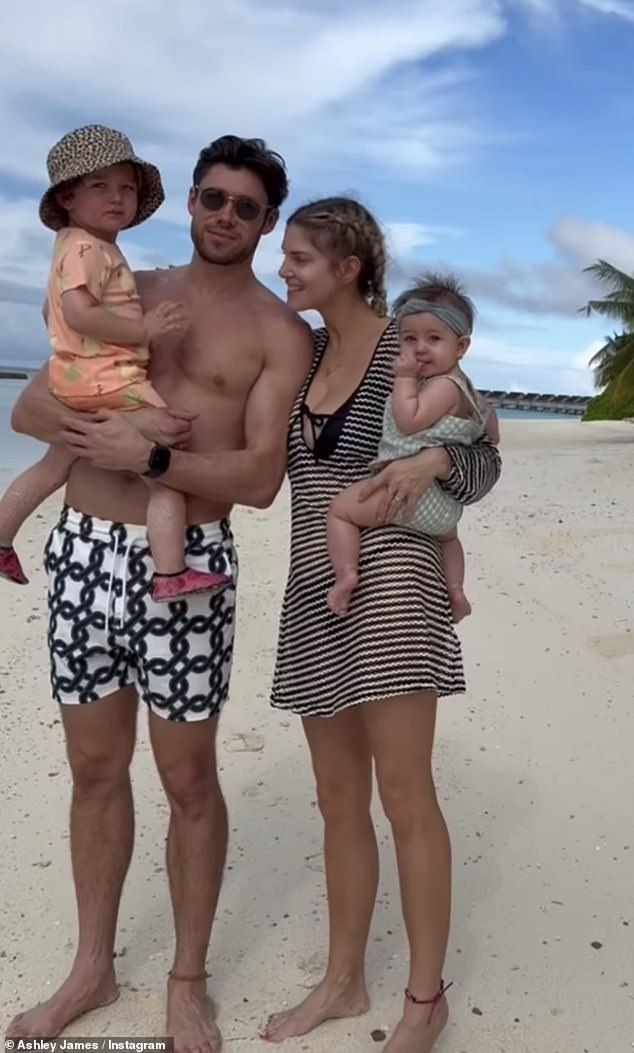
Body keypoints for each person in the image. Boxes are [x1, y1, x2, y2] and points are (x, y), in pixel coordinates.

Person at [5, 135, 313, 1053]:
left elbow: (260, 480)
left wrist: (151, 456)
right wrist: (76, 432)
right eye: (213, 197)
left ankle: (187, 979)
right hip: (86, 552)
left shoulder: (278, 331)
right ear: (187, 199)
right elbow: (30, 402)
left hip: (191, 568)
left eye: (246, 207)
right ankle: (92, 965)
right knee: (95, 771)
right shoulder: (131, 286)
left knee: (186, 779)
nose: (225, 216)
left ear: (266, 222)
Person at [262, 198, 501, 1052]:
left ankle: (424, 1000)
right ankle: (343, 978)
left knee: (404, 793)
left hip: (395, 584)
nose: (282, 268)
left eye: (297, 256)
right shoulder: (306, 352)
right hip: (315, 587)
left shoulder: (413, 350)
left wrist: (440, 455)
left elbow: (484, 448)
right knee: (336, 801)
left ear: (350, 264)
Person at [0, 124, 228, 602]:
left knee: (52, 466)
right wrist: (144, 330)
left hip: (74, 378)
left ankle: (1, 537)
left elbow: (56, 310)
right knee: (164, 470)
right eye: (100, 186)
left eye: (127, 187)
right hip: (108, 379)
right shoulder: (86, 248)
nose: (118, 197)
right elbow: (79, 312)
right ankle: (170, 572)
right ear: (66, 196)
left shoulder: (77, 245)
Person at [326, 273, 500, 621]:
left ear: (460, 346)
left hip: (409, 496)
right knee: (449, 540)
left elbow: (408, 420)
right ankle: (455, 590)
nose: (419, 348)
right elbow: (491, 433)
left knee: (340, 512)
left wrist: (404, 379)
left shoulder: (442, 386)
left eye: (433, 339)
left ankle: (345, 573)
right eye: (409, 339)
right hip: (444, 509)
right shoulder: (468, 391)